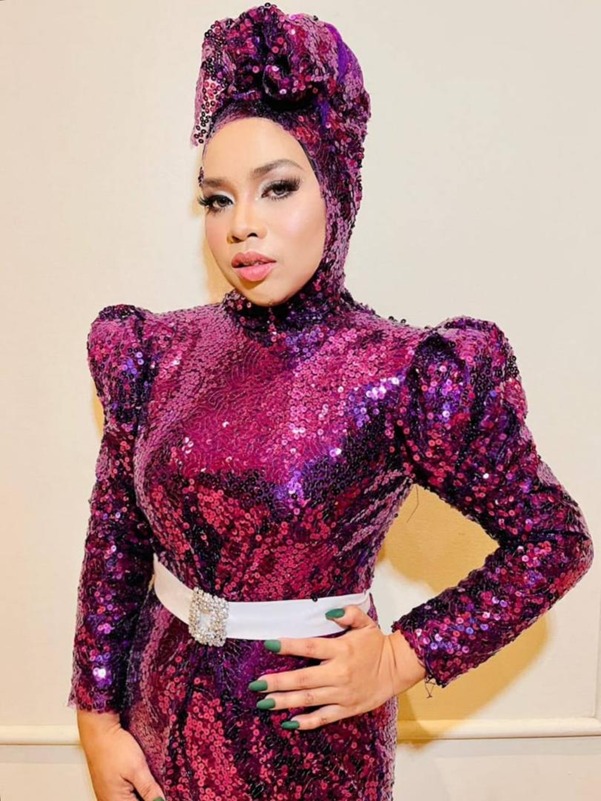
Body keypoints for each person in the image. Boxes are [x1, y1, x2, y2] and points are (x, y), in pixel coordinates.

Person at [67, 4, 594, 801]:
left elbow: (552, 540)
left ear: (336, 188)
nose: (243, 226)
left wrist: (403, 654)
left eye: (277, 188)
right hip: (152, 727)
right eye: (217, 199)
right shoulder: (154, 353)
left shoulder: (405, 373)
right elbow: (115, 541)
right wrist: (97, 720)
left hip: (310, 744)